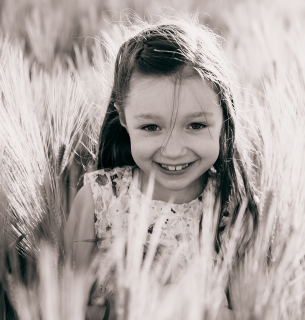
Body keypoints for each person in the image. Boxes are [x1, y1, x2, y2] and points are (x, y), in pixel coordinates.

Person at [64, 16, 259, 320]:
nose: (173, 149)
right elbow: (67, 306)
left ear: (224, 115)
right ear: (124, 119)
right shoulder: (96, 201)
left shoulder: (231, 210)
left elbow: (252, 309)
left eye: (196, 125)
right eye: (151, 127)